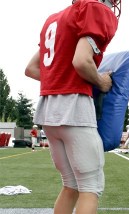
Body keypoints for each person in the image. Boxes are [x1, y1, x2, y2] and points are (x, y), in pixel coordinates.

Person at [25, 1, 121, 214]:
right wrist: (100, 82)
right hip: (75, 109)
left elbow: (31, 69)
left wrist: (60, 80)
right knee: (91, 186)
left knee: (71, 185)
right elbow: (81, 61)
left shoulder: (53, 19)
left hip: (48, 111)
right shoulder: (94, 9)